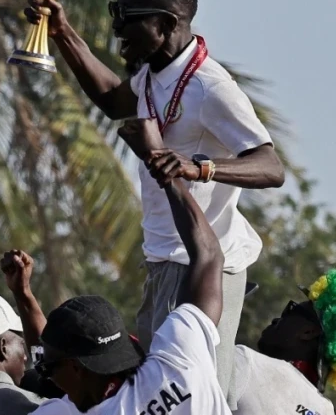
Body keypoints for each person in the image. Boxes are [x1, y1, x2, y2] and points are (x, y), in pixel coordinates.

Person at [24, 0, 285, 402]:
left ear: (164, 25)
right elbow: (113, 100)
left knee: (194, 393)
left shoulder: (210, 88)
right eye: (115, 12)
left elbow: (271, 166)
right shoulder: (154, 74)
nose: (116, 27)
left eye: (127, 17)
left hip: (205, 267)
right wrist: (62, 33)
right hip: (164, 259)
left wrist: (198, 168)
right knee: (154, 393)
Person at [18, 118, 230, 415]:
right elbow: (209, 255)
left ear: (76, 368)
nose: (46, 378)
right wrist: (164, 168)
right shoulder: (180, 355)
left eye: (47, 368)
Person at [229, 270, 336, 415]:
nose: (276, 319)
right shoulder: (325, 409)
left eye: (290, 310)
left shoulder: (247, 364)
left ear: (308, 332)